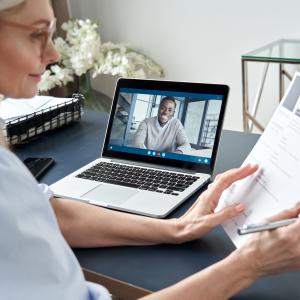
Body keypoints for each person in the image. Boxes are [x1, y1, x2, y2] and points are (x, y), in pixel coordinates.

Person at [1, 1, 300, 299]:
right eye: (37, 34)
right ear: (159, 108)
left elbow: (54, 213)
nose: (53, 54)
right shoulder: (145, 122)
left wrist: (178, 228)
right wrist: (250, 264)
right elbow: (140, 146)